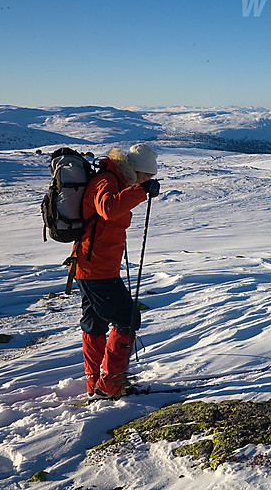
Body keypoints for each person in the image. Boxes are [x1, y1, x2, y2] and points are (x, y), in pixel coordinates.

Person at [73, 143, 160, 398]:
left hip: (92, 266)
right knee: (128, 319)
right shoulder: (107, 180)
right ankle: (110, 385)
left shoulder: (114, 180)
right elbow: (108, 209)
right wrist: (141, 191)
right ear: (135, 170)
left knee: (95, 324)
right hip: (97, 268)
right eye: (146, 176)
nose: (147, 181)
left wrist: (136, 189)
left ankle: (97, 384)